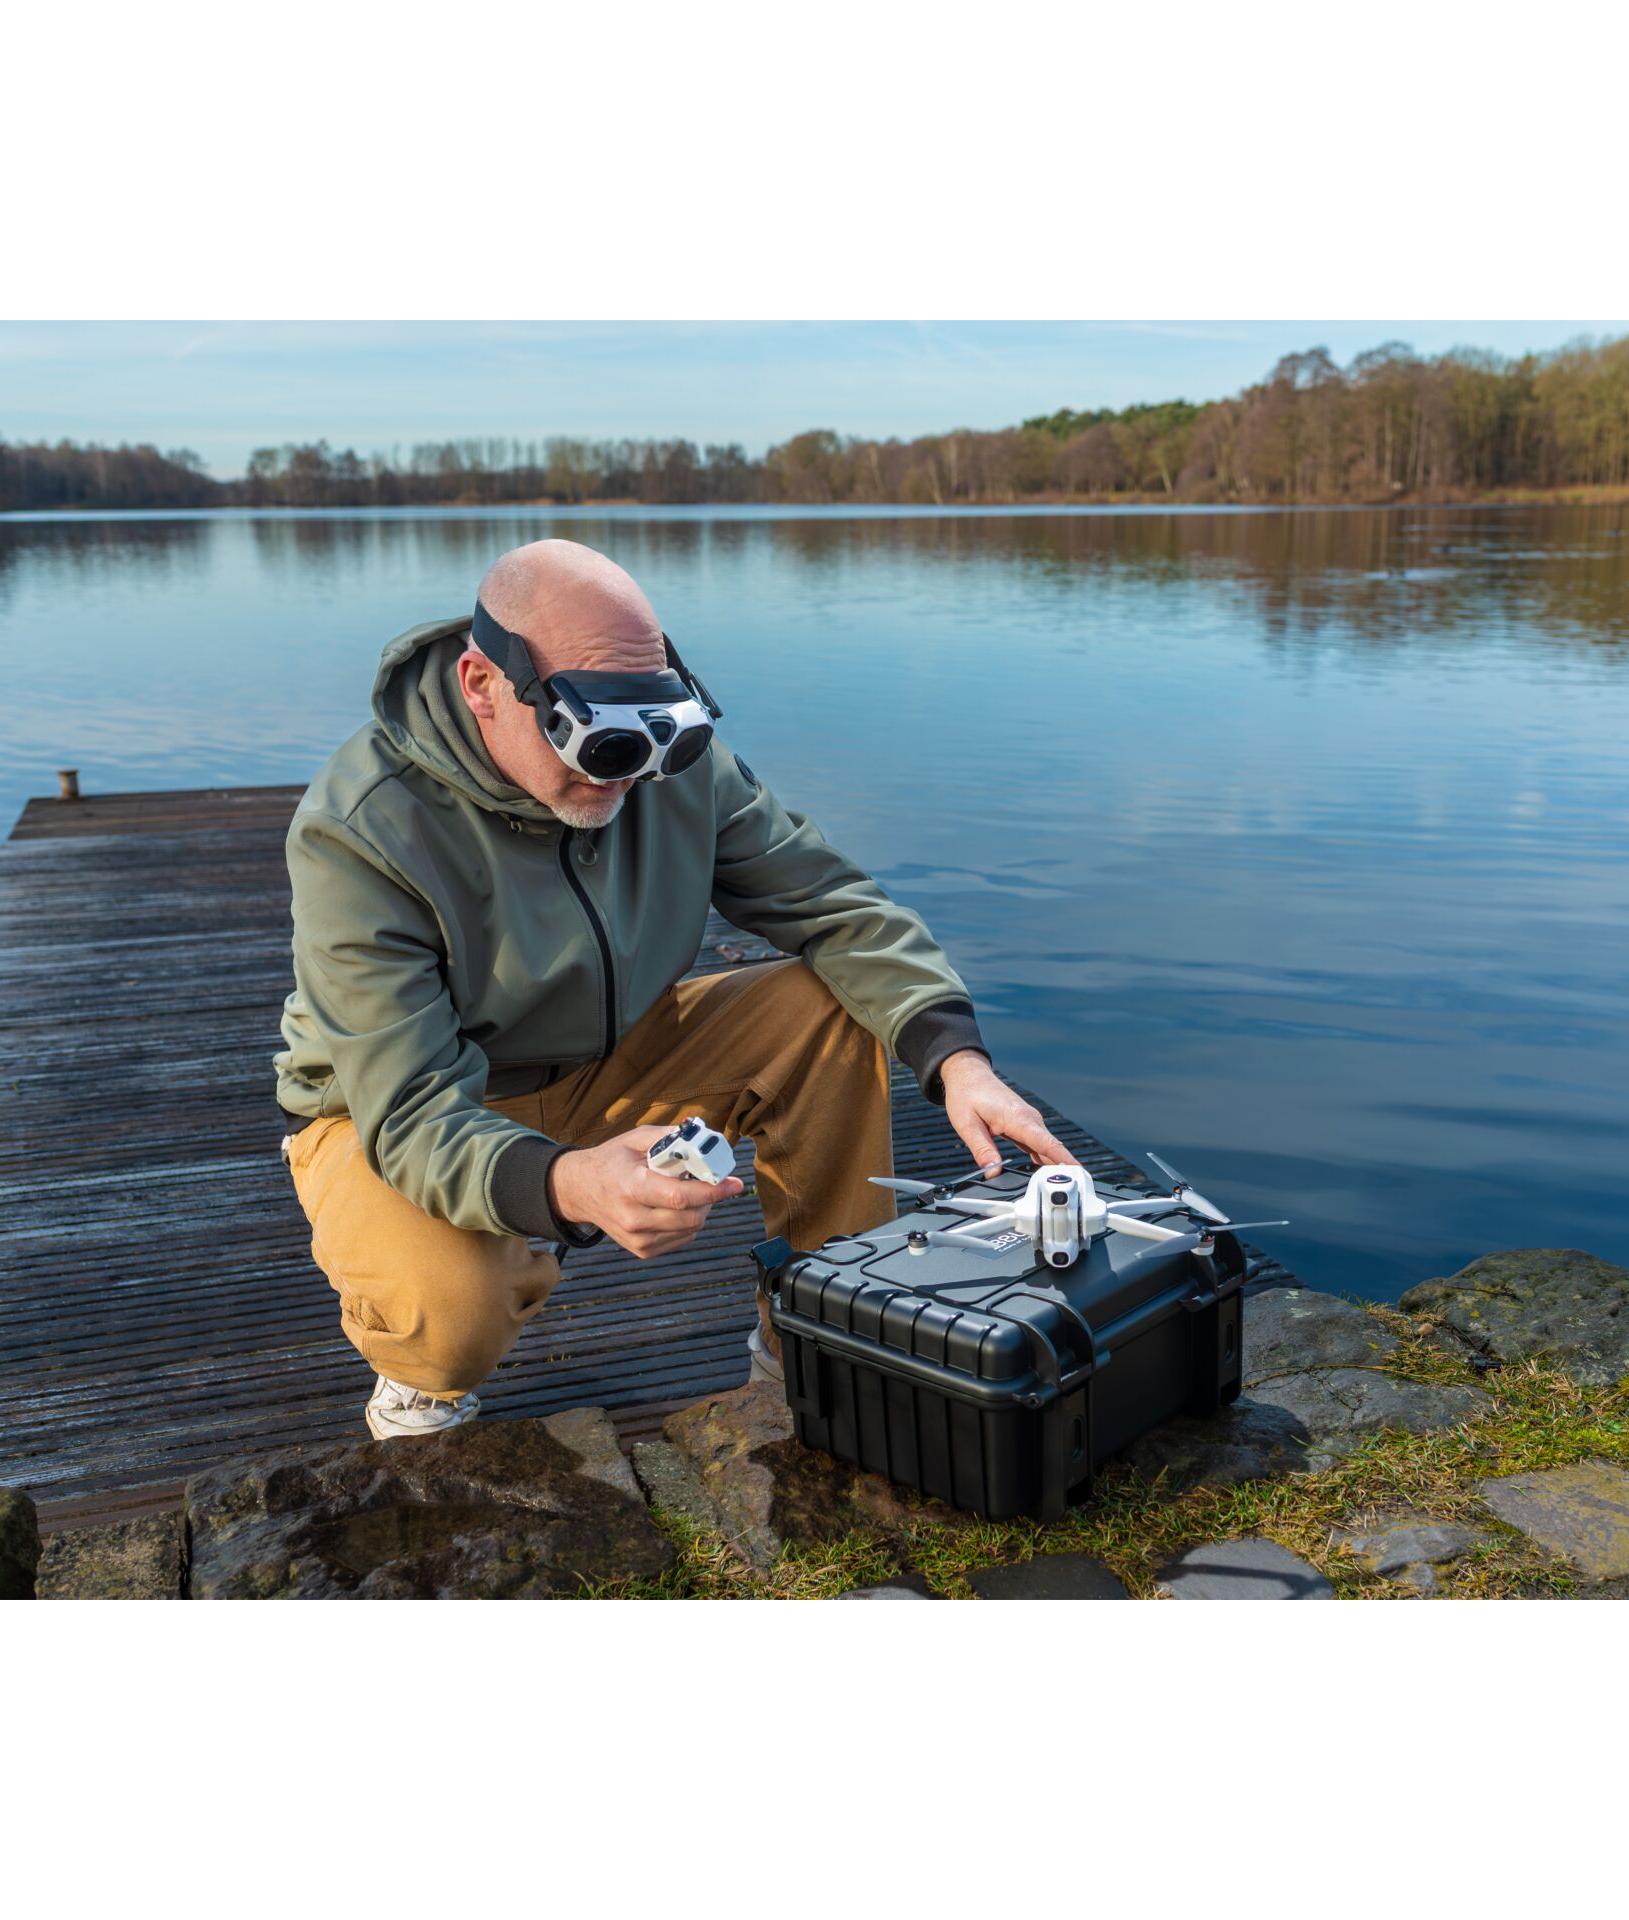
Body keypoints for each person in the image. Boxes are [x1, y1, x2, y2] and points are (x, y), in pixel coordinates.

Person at [274, 538, 1072, 1438]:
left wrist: (958, 1060)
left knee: (825, 1008)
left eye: (648, 738)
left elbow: (833, 903)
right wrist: (571, 1185)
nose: (615, 774)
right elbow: (411, 1112)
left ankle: (828, 1325)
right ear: (481, 682)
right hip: (393, 1106)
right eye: (590, 738)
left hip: (604, 1058)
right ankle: (422, 1377)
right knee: (448, 1315)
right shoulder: (361, 829)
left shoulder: (665, 763)